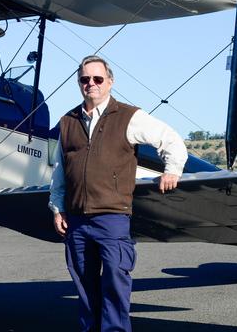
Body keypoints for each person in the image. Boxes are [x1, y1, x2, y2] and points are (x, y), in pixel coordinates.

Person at [49, 55, 188, 332]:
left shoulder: (129, 116)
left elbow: (170, 138)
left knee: (114, 282)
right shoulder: (68, 121)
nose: (91, 84)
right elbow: (60, 171)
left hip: (112, 218)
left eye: (98, 79)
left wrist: (172, 169)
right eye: (85, 79)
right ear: (79, 83)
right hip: (76, 220)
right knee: (85, 288)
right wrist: (57, 206)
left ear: (110, 82)